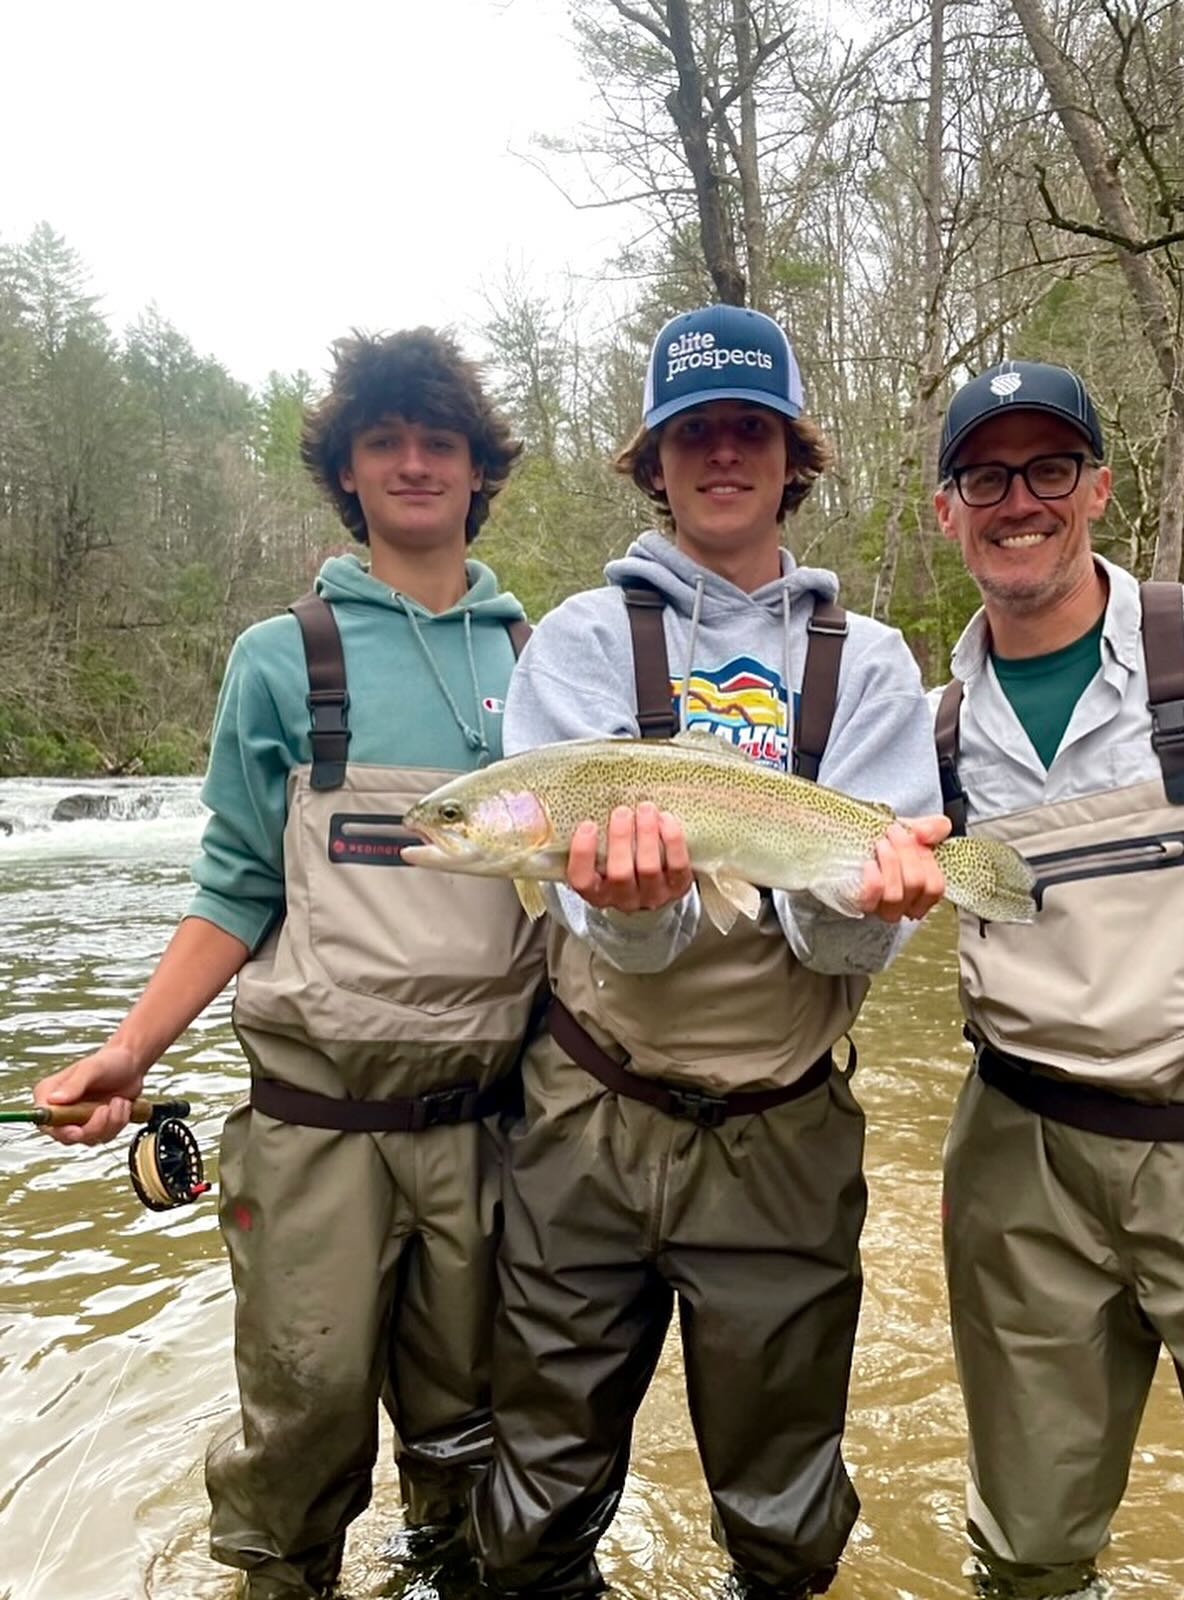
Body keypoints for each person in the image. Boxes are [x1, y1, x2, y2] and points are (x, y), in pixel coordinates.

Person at [34, 328, 546, 1599]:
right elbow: (236, 887)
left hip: (494, 1126)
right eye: (387, 441)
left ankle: (445, 1570)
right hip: (312, 1125)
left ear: (479, 468)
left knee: (470, 1428)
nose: (416, 462)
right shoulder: (281, 655)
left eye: (441, 441)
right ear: (349, 469)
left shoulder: (545, 662)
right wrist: (129, 1050)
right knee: (301, 1421)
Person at [470, 303, 950, 1599]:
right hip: (588, 1121)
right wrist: (634, 903)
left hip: (785, 1132)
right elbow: (605, 927)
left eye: (750, 429)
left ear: (792, 454)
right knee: (538, 1489)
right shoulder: (573, 643)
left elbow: (834, 933)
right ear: (654, 459)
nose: (723, 454)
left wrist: (883, 900)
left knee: (787, 1512)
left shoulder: (873, 666)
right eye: (695, 432)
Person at [931, 359, 1184, 1600]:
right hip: (1017, 1150)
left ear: (1097, 489)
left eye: (1047, 469)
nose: (1016, 500)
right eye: (984, 474)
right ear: (945, 508)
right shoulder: (931, 729)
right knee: (1024, 1549)